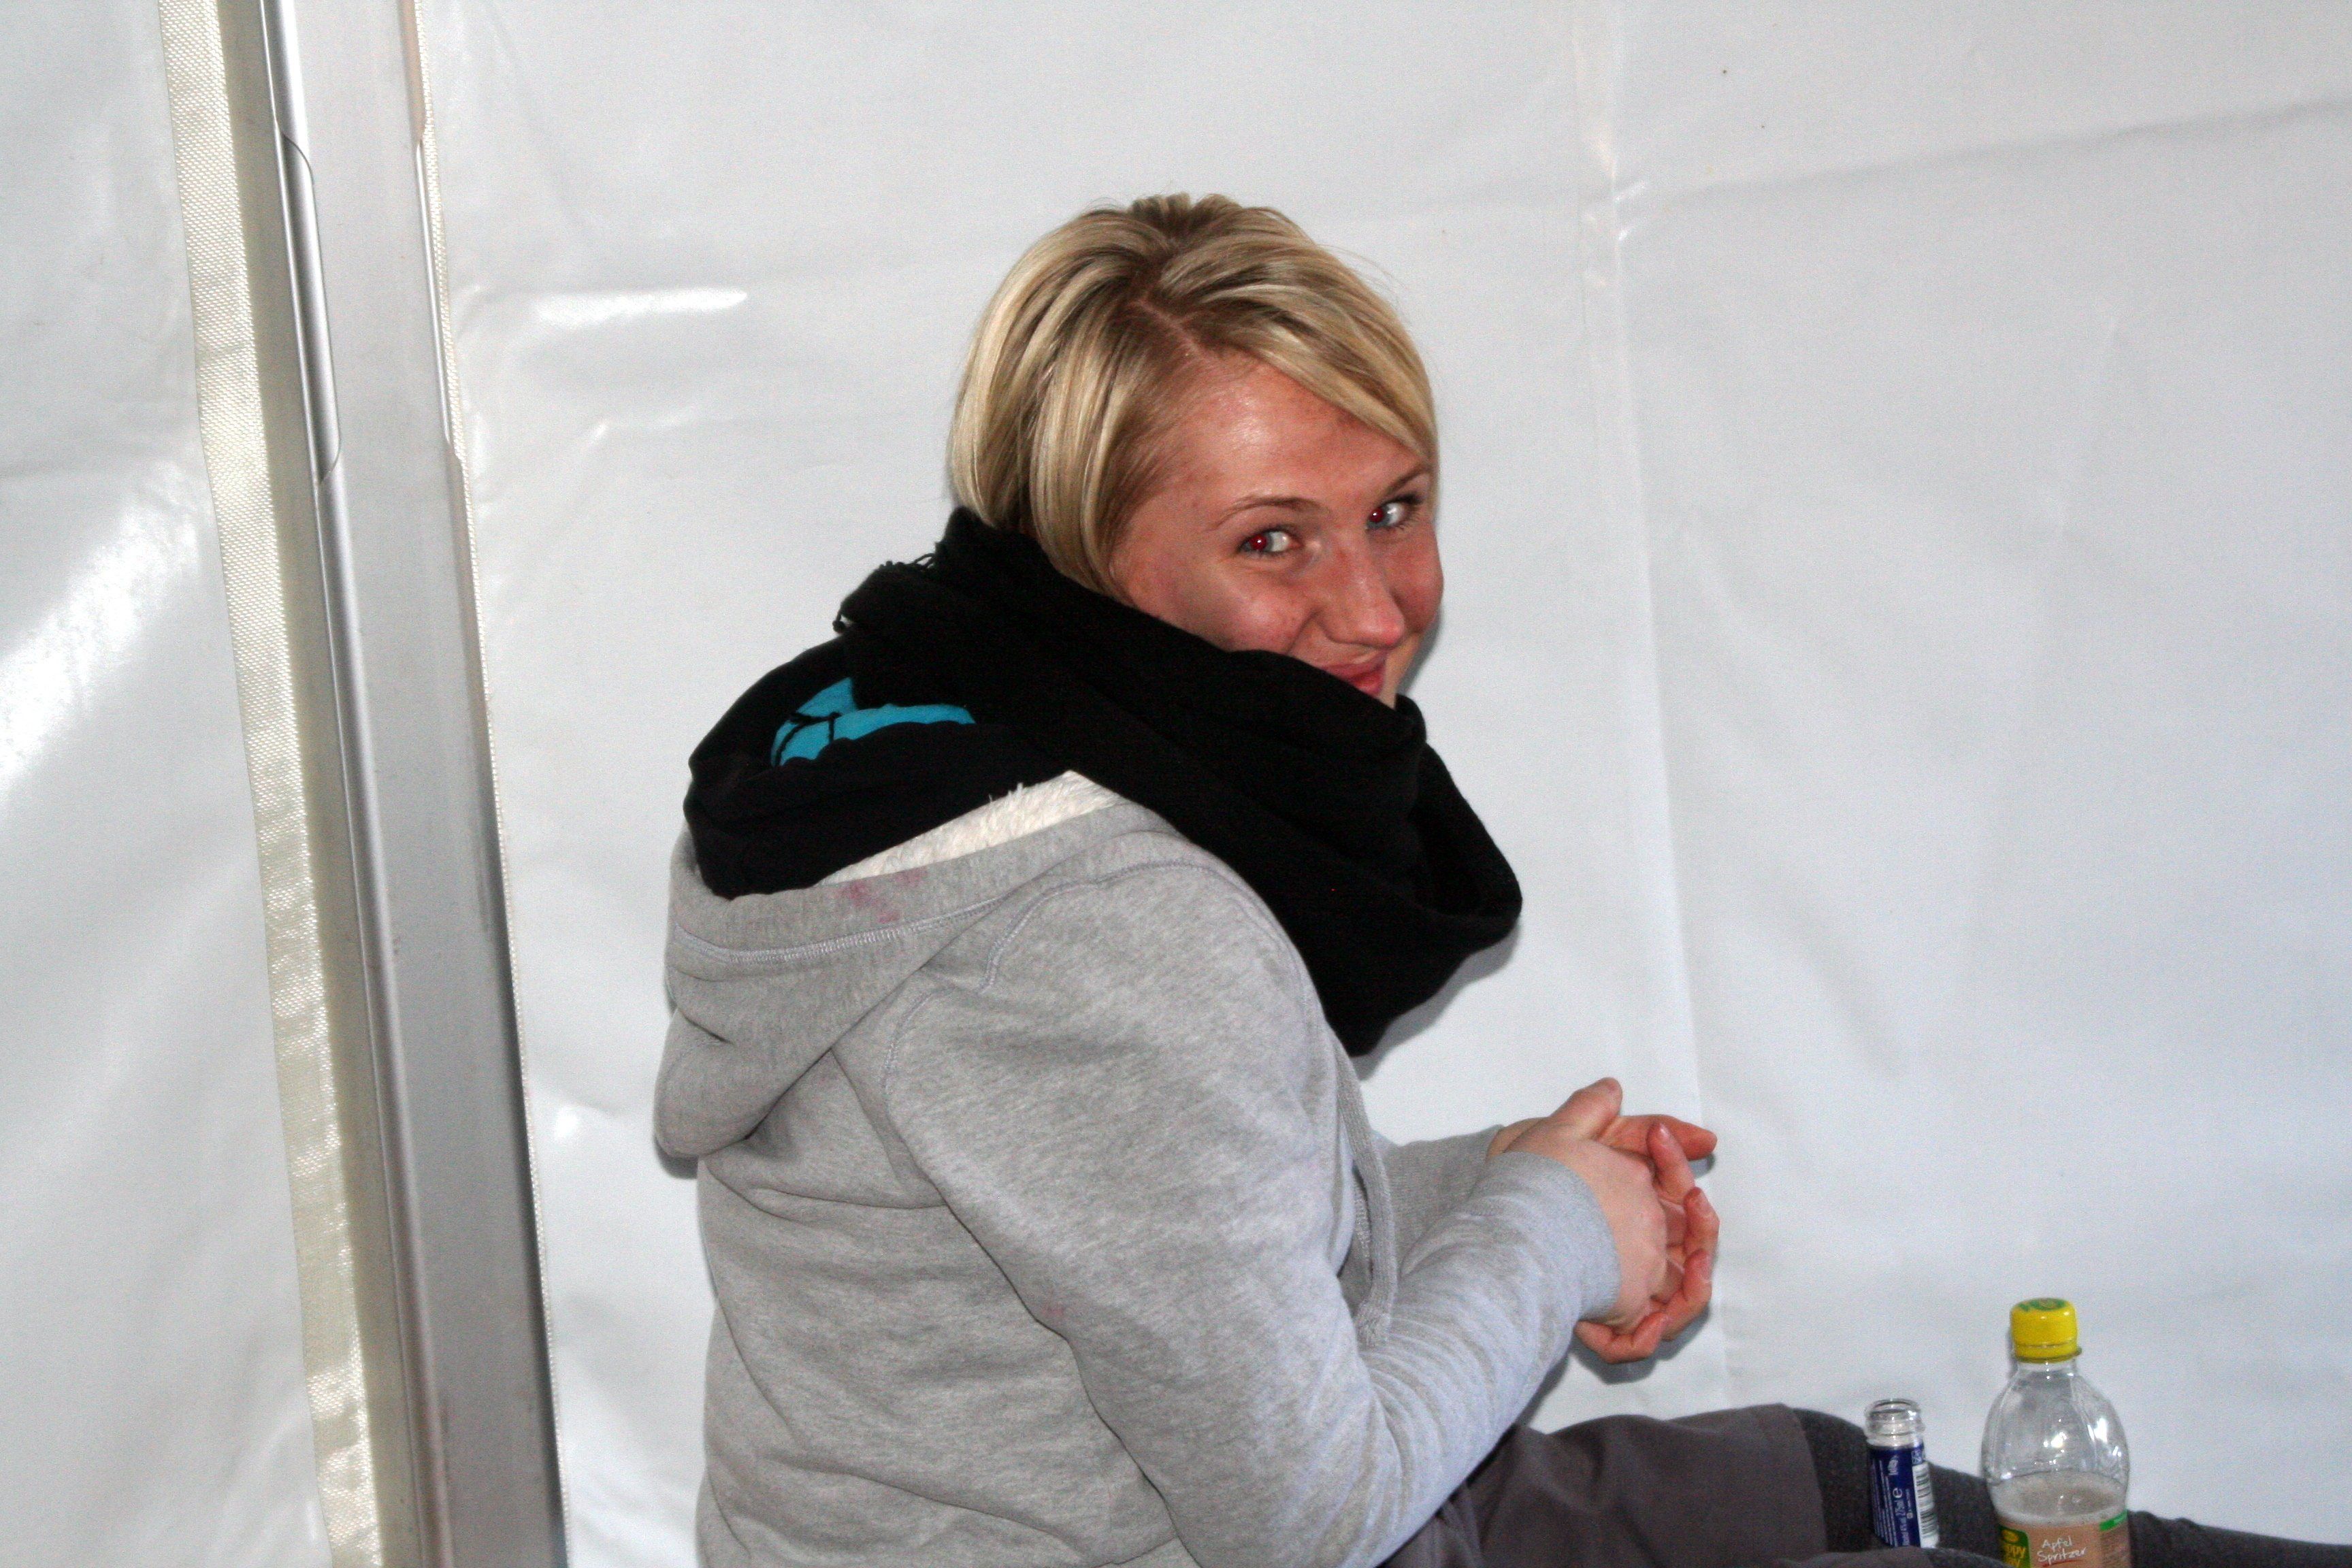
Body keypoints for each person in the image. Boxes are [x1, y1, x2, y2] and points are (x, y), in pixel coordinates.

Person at [660, 196, 2347, 1568]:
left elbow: (1153, 1232)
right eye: (1273, 539)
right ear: (1090, 558)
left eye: (1395, 507)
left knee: (1844, 1490)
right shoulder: (1105, 923)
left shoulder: (897, 775)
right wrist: (1550, 1237)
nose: (1376, 607)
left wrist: (1521, 1179)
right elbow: (1305, 1521)